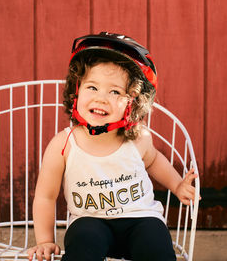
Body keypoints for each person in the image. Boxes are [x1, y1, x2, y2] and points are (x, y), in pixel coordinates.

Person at [27, 32, 198, 261]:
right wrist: (45, 240)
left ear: (132, 103)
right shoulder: (64, 144)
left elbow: (155, 160)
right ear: (76, 90)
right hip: (90, 222)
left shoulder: (138, 139)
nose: (101, 98)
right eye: (92, 87)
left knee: (156, 245)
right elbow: (46, 196)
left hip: (141, 219)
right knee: (82, 241)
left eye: (115, 91)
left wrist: (177, 185)